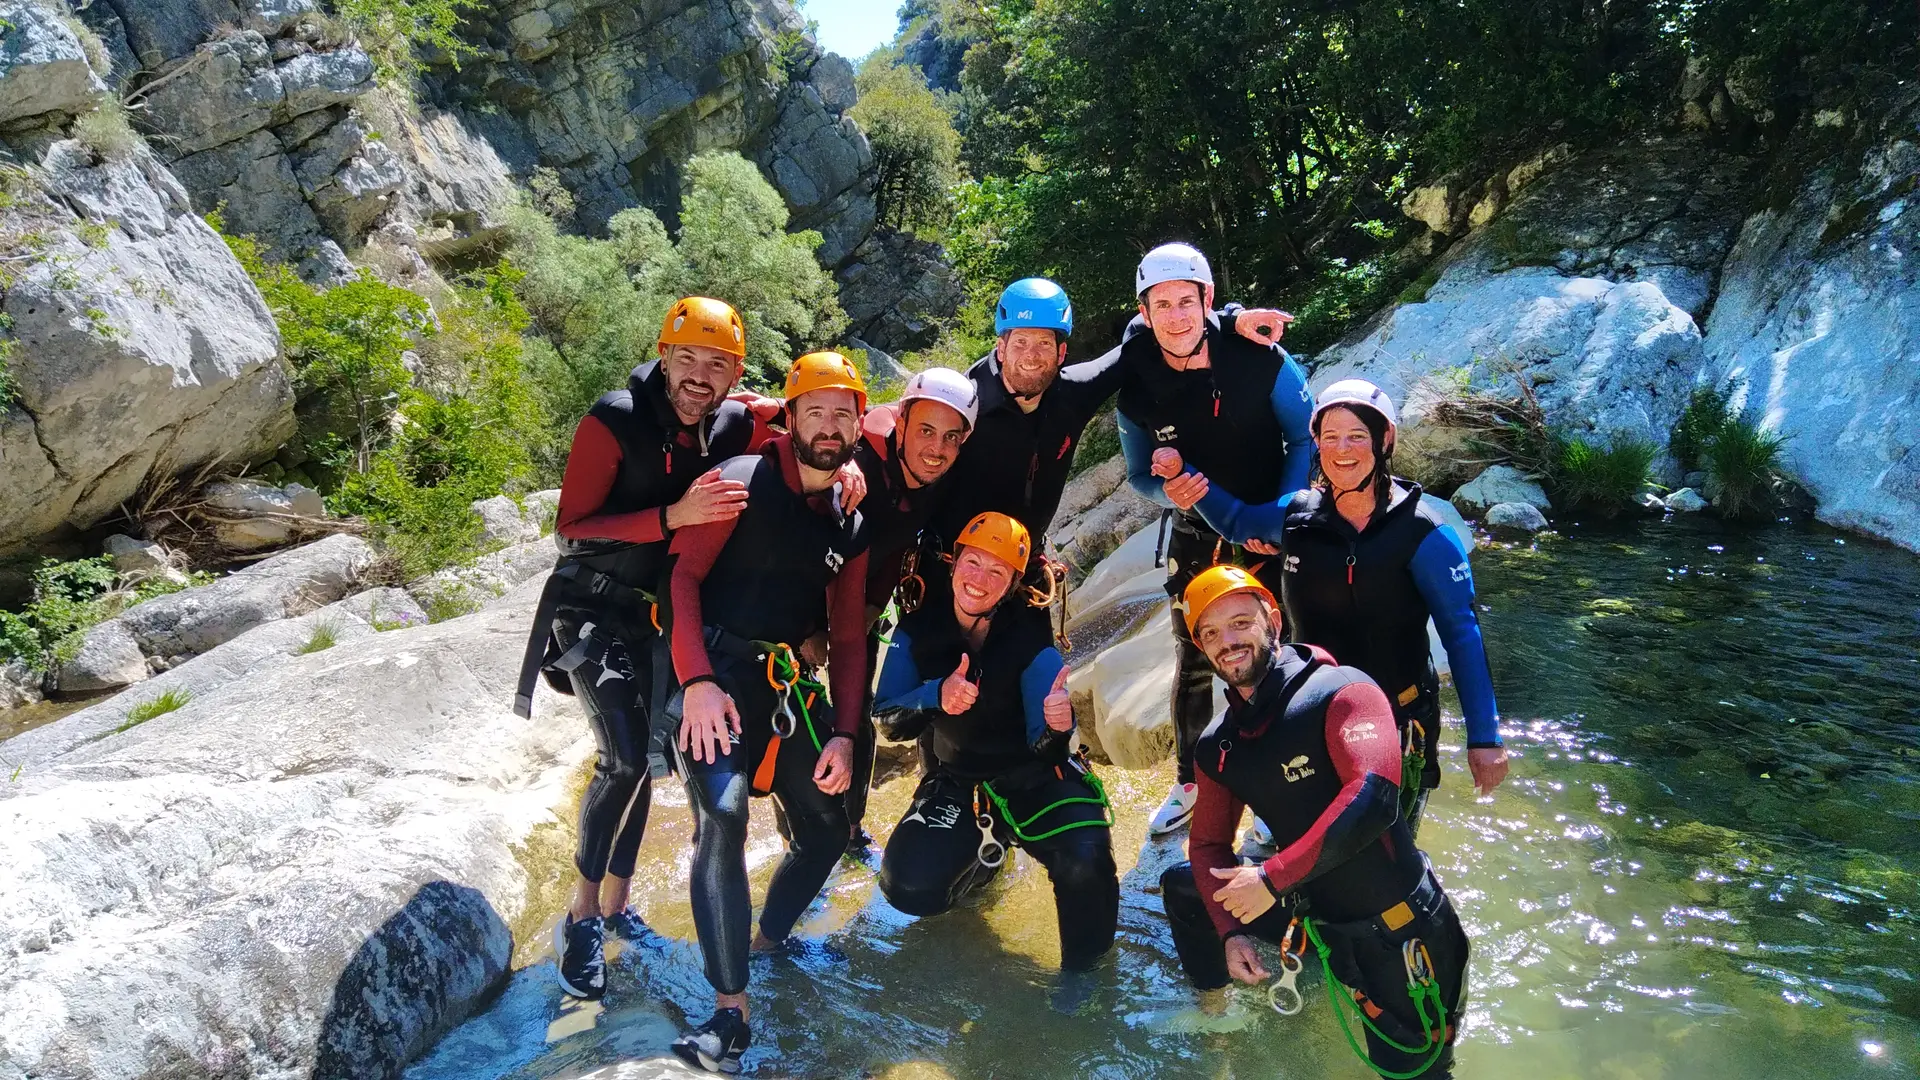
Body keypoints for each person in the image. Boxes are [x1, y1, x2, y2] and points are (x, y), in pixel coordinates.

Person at [514, 296, 764, 1002]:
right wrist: (671, 517)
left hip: (655, 614)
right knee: (622, 757)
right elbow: (572, 531)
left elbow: (815, 415)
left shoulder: (733, 420)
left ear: (734, 373)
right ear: (663, 354)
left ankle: (620, 904)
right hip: (590, 605)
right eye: (687, 359)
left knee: (649, 763)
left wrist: (854, 467)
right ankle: (582, 915)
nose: (699, 377)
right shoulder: (613, 420)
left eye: (717, 366)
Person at [1159, 565, 1470, 1079]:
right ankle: (1215, 1015)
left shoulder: (1342, 691)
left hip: (1396, 929)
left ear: (1272, 620)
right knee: (1186, 889)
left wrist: (1269, 878)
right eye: (1210, 634)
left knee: (1420, 1071)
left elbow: (1373, 798)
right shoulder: (1220, 744)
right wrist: (1231, 931)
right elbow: (1209, 845)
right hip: (1311, 914)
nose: (1227, 642)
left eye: (1240, 623)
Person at [1167, 378, 1510, 835]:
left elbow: (1462, 635)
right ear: (1316, 443)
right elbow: (1236, 521)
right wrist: (1183, 476)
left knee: (1384, 851)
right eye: (1330, 437)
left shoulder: (1425, 533)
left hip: (1397, 722)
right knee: (1305, 850)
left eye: (1356, 436)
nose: (1341, 450)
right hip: (1309, 716)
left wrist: (1484, 739)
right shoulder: (1298, 516)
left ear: (1384, 439)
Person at [660, 351, 872, 1073]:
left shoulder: (849, 517)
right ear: (790, 416)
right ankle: (730, 1012)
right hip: (715, 674)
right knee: (721, 816)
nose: (828, 425)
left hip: (785, 685)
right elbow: (682, 581)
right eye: (815, 410)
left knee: (826, 823)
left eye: (843, 413)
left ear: (858, 425)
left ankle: (769, 937)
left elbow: (849, 638)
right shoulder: (739, 480)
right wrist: (694, 682)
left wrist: (845, 733)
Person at [1112, 243, 1315, 837]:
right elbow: (1140, 475)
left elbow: (1303, 439)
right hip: (1197, 529)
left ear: (1207, 300)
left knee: (1277, 651)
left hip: (1271, 520)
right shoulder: (1137, 379)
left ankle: (1285, 780)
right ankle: (1190, 781)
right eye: (1161, 305)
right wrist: (1164, 493)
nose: (1175, 316)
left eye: (1187, 301)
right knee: (1195, 658)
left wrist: (1279, 514)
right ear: (1145, 313)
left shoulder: (1260, 356)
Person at [871, 512, 1118, 972]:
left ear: (1012, 584)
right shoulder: (917, 631)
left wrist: (1057, 726)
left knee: (1085, 866)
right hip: (958, 778)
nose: (979, 580)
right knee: (908, 888)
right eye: (973, 562)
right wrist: (935, 697)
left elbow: (1047, 749)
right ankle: (983, 870)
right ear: (953, 563)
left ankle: (1083, 984)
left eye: (996, 571)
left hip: (1034, 776)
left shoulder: (1030, 640)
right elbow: (888, 721)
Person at [841, 368, 980, 850]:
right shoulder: (855, 460)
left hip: (860, 606)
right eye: (925, 430)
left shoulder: (941, 474)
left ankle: (849, 829)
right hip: (797, 609)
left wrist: (873, 604)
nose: (936, 448)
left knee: (853, 718)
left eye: (950, 437)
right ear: (900, 423)